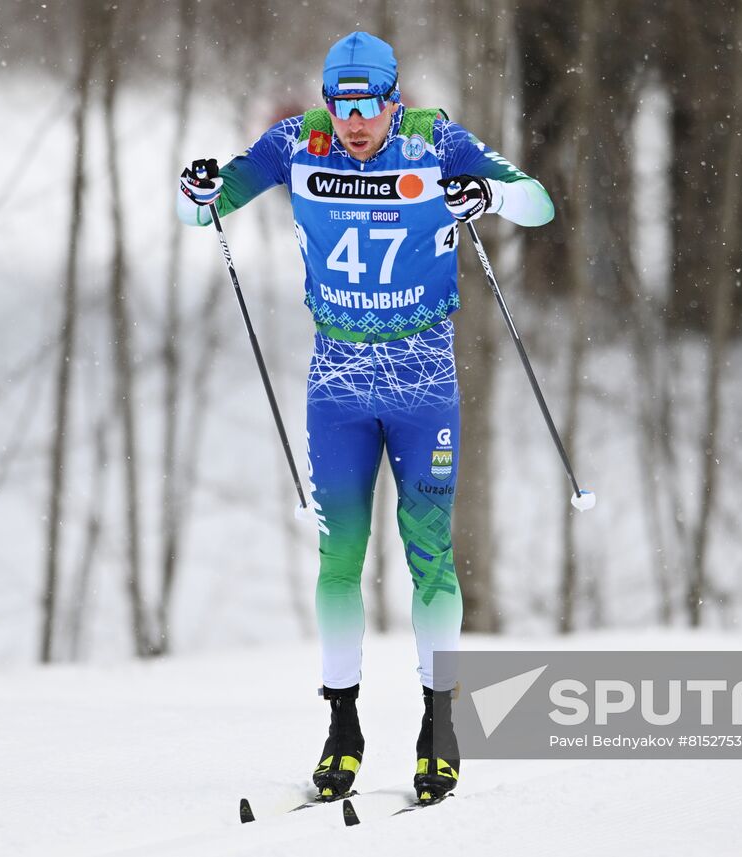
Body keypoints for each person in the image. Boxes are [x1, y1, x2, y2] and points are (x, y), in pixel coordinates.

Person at [177, 31, 553, 804]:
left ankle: (439, 725)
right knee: (339, 560)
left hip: (422, 386)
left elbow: (539, 202)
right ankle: (342, 726)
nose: (353, 125)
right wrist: (197, 190)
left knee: (430, 558)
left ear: (393, 102)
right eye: (340, 107)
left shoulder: (435, 141)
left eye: (367, 108)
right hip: (338, 385)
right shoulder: (297, 144)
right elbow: (206, 209)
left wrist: (487, 195)